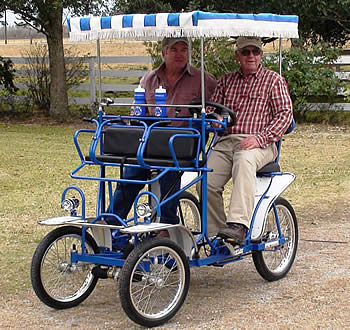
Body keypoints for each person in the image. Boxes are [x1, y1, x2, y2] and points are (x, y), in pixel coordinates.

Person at [108, 37, 217, 230]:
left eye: (184, 49)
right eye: (174, 49)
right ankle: (112, 225)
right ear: (163, 53)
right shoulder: (148, 79)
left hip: (184, 144)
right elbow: (136, 113)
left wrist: (209, 118)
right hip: (151, 143)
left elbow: (215, 109)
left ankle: (166, 228)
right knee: (131, 173)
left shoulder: (203, 80)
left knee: (168, 173)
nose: (180, 54)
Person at [204, 36, 293, 244]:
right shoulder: (226, 81)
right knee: (205, 178)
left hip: (261, 143)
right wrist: (214, 120)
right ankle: (217, 234)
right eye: (245, 52)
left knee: (244, 160)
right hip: (227, 142)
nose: (251, 56)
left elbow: (285, 115)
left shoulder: (273, 80)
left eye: (255, 51)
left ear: (261, 55)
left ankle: (238, 226)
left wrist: (260, 138)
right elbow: (210, 110)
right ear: (238, 56)